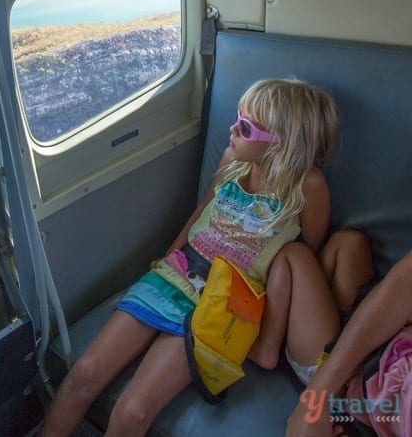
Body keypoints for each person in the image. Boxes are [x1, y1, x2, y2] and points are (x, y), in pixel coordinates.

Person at [39, 78, 340, 436]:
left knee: (131, 412)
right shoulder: (233, 160)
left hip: (221, 302)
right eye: (237, 118)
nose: (231, 129)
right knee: (84, 374)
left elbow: (306, 252)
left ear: (281, 145)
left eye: (244, 127)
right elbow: (202, 212)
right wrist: (169, 254)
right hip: (178, 272)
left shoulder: (309, 187)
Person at [286, 246, 412, 436]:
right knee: (348, 246)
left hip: (353, 391)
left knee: (299, 256)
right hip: (373, 355)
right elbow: (404, 284)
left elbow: (292, 256)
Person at [249, 229, 375, 385]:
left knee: (293, 255)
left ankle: (266, 347)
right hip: (370, 334)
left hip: (343, 373)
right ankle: (299, 301)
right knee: (349, 243)